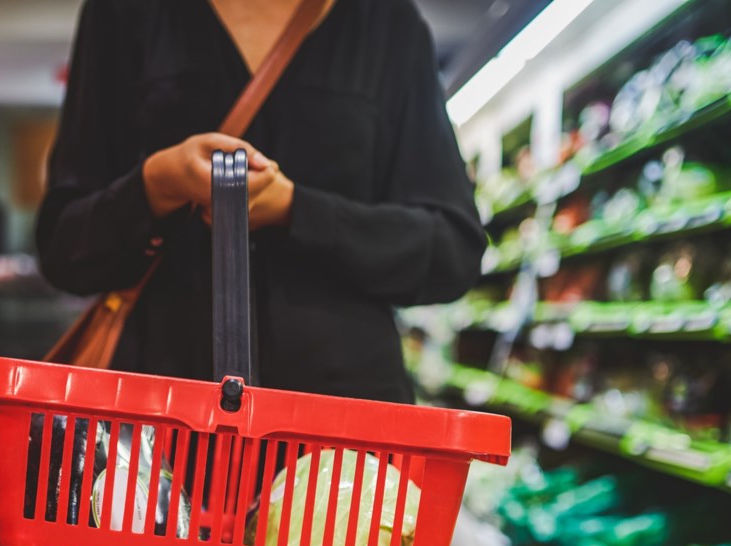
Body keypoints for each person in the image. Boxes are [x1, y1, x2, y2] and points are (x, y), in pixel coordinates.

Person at [36, 0, 484, 404]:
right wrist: (157, 185)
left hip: (343, 444)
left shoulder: (387, 23)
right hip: (161, 427)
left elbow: (452, 249)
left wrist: (298, 210)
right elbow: (63, 246)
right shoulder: (124, 14)